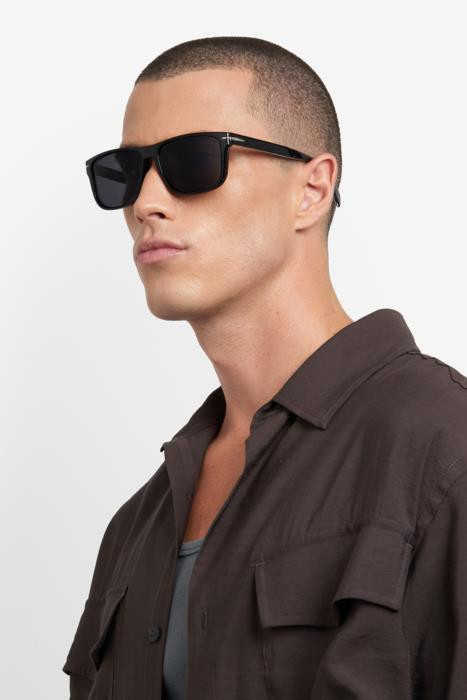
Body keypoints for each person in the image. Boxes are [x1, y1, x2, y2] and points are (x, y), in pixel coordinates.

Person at [62, 36, 467, 700]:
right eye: (125, 173)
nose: (146, 202)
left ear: (312, 189)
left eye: (194, 160)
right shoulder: (137, 526)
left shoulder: (444, 448)